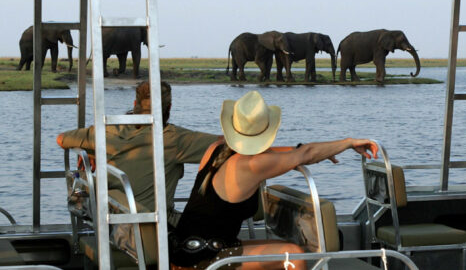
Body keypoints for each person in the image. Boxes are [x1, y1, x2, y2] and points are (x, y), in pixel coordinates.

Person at [169, 90, 379, 270]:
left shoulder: (216, 149)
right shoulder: (250, 165)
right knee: (293, 255)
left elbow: (289, 152)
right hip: (203, 261)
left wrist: (317, 152)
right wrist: (349, 142)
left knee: (279, 245)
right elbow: (304, 154)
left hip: (186, 251)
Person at [57, 81, 220, 226]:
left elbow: (61, 139)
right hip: (154, 227)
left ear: (135, 103)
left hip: (113, 227)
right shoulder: (173, 139)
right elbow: (228, 145)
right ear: (169, 108)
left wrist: (89, 149)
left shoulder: (109, 130)